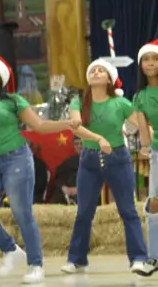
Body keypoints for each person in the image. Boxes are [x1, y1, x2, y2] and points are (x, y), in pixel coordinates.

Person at [0, 56, 74, 283]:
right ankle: (11, 250)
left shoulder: (13, 101)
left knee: (22, 212)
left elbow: (39, 125)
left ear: (0, 77)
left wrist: (67, 123)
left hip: (16, 160)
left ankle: (35, 264)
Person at [64, 58, 150, 275]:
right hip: (89, 159)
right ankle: (77, 259)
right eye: (93, 70)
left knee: (128, 210)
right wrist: (100, 138)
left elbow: (142, 125)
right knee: (84, 211)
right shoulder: (78, 102)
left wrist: (145, 140)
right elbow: (76, 127)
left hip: (117, 158)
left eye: (102, 70)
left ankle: (139, 258)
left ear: (110, 79)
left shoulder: (120, 103)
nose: (96, 72)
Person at [130, 41, 158, 275]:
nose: (150, 63)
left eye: (155, 58)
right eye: (146, 59)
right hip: (157, 152)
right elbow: (142, 127)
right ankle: (154, 257)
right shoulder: (139, 96)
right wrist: (146, 148)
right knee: (154, 205)